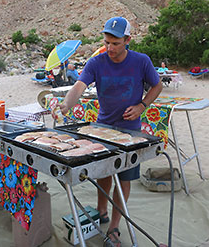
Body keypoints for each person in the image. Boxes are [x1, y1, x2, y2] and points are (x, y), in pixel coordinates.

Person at [59, 16, 163, 246]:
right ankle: (101, 209)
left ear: (127, 40)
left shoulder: (141, 61)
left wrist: (142, 106)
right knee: (104, 172)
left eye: (115, 43)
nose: (110, 48)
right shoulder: (97, 62)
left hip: (131, 131)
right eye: (106, 42)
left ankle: (115, 225)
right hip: (102, 127)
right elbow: (79, 86)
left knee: (124, 178)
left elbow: (157, 85)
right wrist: (67, 104)